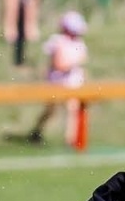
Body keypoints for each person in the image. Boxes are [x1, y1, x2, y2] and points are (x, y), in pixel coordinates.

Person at [28, 10, 87, 145]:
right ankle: (37, 132)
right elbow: (58, 64)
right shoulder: (58, 41)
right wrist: (73, 63)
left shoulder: (79, 44)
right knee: (51, 110)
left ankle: (70, 141)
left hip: (73, 83)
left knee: (73, 109)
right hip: (58, 82)